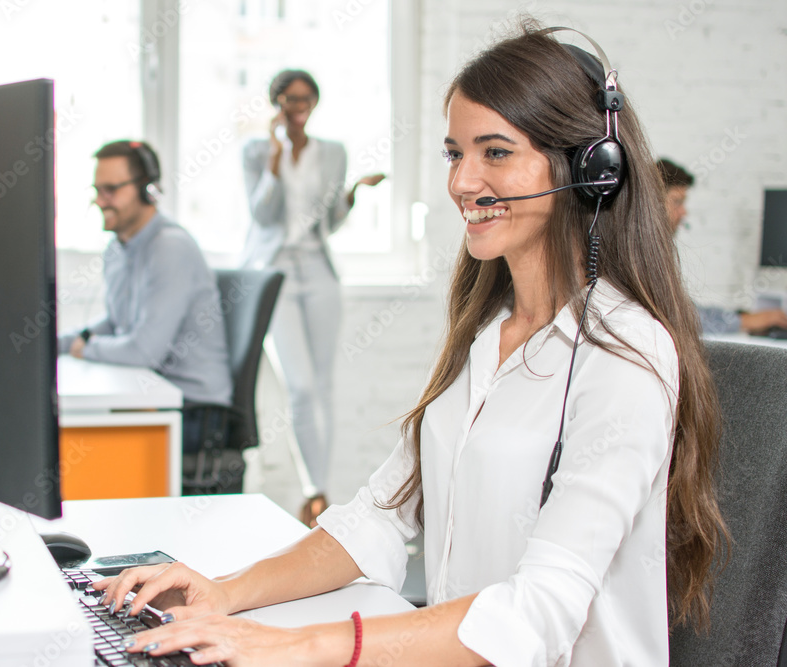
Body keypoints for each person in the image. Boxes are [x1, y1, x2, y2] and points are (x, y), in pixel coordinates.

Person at [91, 26, 728, 665]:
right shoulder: (486, 337)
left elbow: (539, 613)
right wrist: (222, 595)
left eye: (495, 152)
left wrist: (299, 646)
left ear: (589, 169)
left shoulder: (624, 355)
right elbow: (379, 517)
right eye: (455, 153)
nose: (462, 182)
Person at [241, 68, 385, 526]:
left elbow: (330, 222)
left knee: (321, 387)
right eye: (288, 98)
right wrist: (277, 159)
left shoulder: (333, 153)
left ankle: (317, 496)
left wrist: (353, 194)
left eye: (306, 98)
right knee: (299, 386)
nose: (297, 106)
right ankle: (312, 488)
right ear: (277, 102)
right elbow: (263, 215)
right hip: (275, 271)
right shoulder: (257, 151)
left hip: (318, 271)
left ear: (314, 102)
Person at [59, 140, 234, 456]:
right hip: (151, 398)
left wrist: (84, 349)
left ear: (148, 190)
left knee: (81, 452)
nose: (100, 201)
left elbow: (142, 351)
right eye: (97, 190)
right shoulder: (117, 248)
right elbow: (116, 322)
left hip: (194, 413)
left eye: (111, 189)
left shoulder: (169, 248)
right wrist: (57, 343)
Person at [657, 157, 787, 335]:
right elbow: (684, 321)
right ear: (652, 203)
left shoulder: (657, 250)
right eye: (677, 201)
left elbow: (688, 310)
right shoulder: (643, 254)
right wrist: (746, 321)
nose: (684, 211)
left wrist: (739, 317)